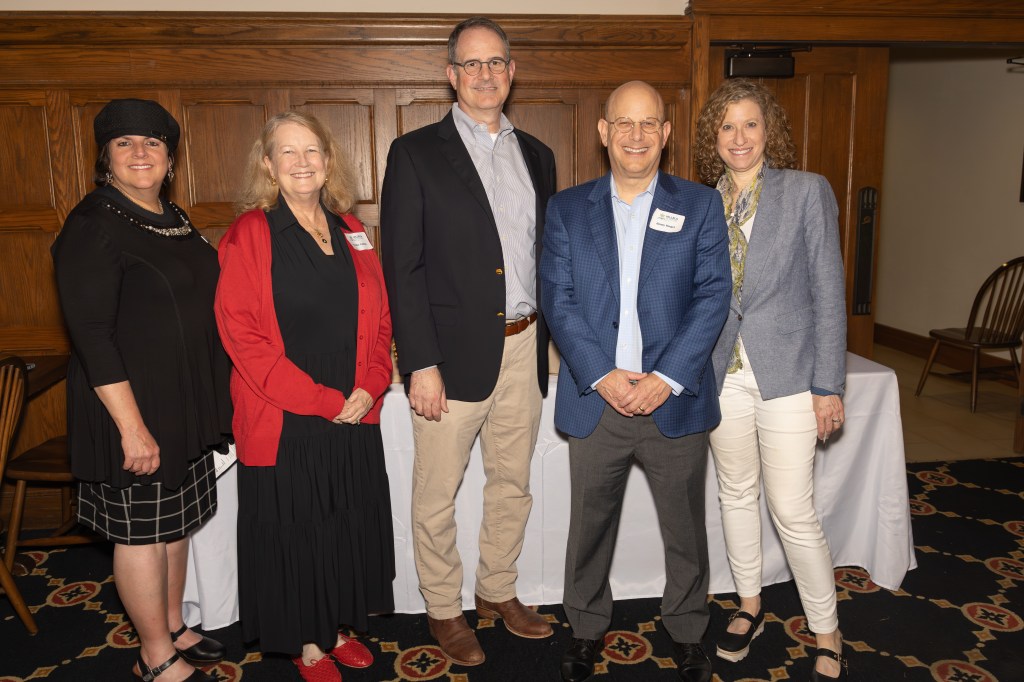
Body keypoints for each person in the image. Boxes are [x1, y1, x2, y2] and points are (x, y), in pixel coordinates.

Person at [380, 15, 557, 667]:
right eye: (471, 64)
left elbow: (546, 256)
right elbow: (402, 267)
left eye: (496, 63)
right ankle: (445, 609)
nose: (485, 75)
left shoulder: (538, 155)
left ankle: (498, 591)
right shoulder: (416, 153)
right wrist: (420, 361)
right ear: (452, 76)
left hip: (523, 347)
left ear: (512, 73)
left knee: (512, 482)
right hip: (449, 357)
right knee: (437, 492)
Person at [541, 80, 731, 682]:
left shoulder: (700, 205)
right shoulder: (567, 208)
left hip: (671, 403)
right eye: (624, 123)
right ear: (603, 132)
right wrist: (601, 376)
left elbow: (712, 297)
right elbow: (559, 300)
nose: (636, 134)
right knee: (589, 528)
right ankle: (586, 628)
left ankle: (688, 629)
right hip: (597, 401)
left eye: (649, 123)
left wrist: (666, 378)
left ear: (666, 135)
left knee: (685, 530)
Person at [51, 98, 231, 682]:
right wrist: (131, 427)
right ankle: (154, 655)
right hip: (130, 407)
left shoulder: (171, 216)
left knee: (174, 523)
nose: (139, 152)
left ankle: (173, 625)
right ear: (105, 157)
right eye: (124, 143)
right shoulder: (93, 224)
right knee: (141, 535)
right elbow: (92, 336)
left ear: (170, 157)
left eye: (152, 142)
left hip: (181, 403)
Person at [214, 111, 395, 682]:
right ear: (267, 165)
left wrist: (369, 385)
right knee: (297, 529)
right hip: (287, 413)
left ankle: (338, 626)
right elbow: (242, 336)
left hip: (353, 409)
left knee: (342, 520)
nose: (301, 162)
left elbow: (381, 316)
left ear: (328, 160)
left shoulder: (351, 229)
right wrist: (322, 400)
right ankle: (306, 643)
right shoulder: (251, 232)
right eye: (286, 152)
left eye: (311, 150)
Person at [695, 78, 848, 681]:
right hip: (722, 373)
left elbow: (829, 293)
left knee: (793, 510)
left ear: (770, 130)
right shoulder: (702, 202)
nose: (739, 137)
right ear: (714, 135)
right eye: (727, 126)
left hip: (789, 376)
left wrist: (829, 383)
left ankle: (827, 629)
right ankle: (750, 604)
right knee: (734, 494)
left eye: (751, 124)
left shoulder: (806, 192)